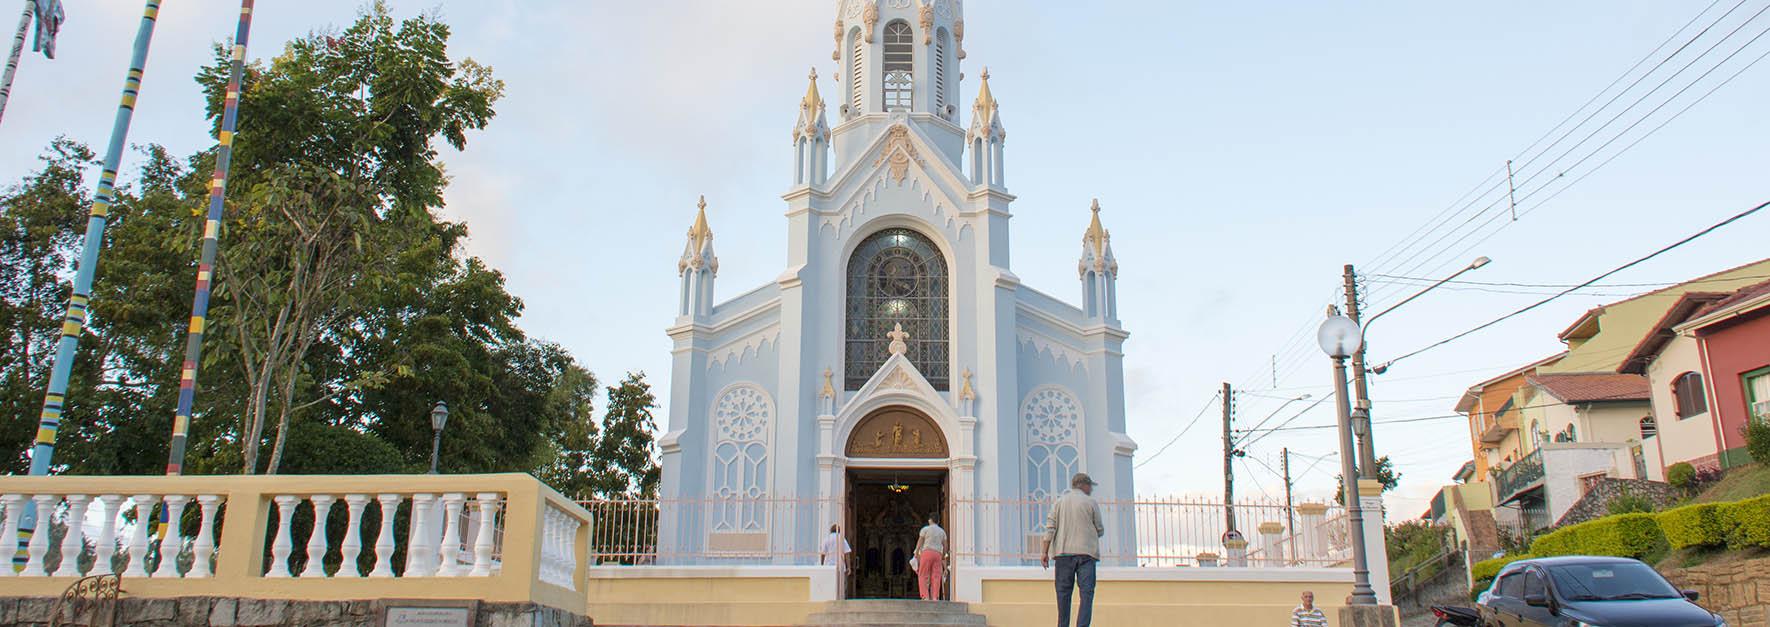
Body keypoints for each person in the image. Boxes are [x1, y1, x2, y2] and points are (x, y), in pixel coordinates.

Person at [1041, 472, 1104, 627]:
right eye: (1090, 486)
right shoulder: (1091, 503)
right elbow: (1100, 530)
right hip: (1086, 555)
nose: (1091, 490)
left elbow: (1050, 529)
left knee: (1063, 595)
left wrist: (1044, 552)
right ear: (1084, 485)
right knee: (1087, 594)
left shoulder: (1059, 502)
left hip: (1063, 554)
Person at [915, 514, 948, 600]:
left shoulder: (925, 529)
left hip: (927, 552)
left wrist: (916, 551)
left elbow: (920, 541)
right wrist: (944, 555)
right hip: (937, 554)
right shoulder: (942, 532)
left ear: (930, 520)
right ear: (938, 521)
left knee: (922, 574)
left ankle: (925, 596)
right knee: (936, 575)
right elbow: (945, 545)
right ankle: (935, 597)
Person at [820, 524, 852, 599]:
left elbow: (822, 554)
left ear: (831, 531)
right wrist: (849, 567)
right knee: (841, 584)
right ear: (840, 531)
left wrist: (822, 565)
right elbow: (847, 553)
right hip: (840, 565)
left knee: (830, 583)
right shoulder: (842, 539)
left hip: (828, 565)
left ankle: (830, 598)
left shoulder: (827, 539)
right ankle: (841, 598)